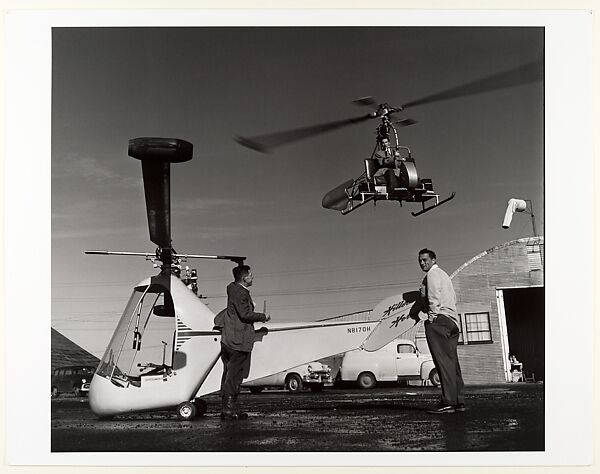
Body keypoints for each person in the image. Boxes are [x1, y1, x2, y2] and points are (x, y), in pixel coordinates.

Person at [216, 264, 270, 420]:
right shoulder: (241, 293)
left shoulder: (232, 288)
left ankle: (229, 408)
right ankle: (228, 410)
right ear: (244, 278)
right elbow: (245, 314)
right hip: (238, 341)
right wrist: (263, 316)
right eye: (250, 275)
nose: (252, 277)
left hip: (228, 339)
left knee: (229, 374)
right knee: (234, 376)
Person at [418, 248, 465, 414]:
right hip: (453, 322)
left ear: (433, 260)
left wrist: (432, 316)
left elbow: (434, 298)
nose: (422, 263)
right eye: (420, 261)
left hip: (440, 321)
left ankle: (448, 402)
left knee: (443, 363)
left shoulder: (431, 275)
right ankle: (459, 401)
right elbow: (453, 298)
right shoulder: (445, 275)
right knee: (452, 362)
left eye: (425, 260)